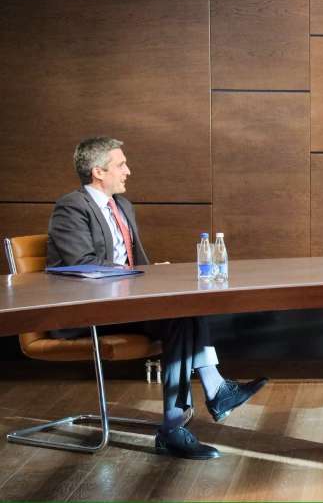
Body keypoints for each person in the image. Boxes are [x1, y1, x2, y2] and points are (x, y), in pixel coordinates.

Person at [47, 136, 267, 459]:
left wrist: (153, 273)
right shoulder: (71, 207)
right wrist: (140, 274)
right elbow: (84, 265)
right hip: (87, 312)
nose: (128, 171)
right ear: (98, 171)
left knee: (185, 306)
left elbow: (136, 262)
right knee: (179, 315)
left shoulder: (123, 206)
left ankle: (187, 416)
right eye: (121, 164)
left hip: (122, 304)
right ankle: (204, 400)